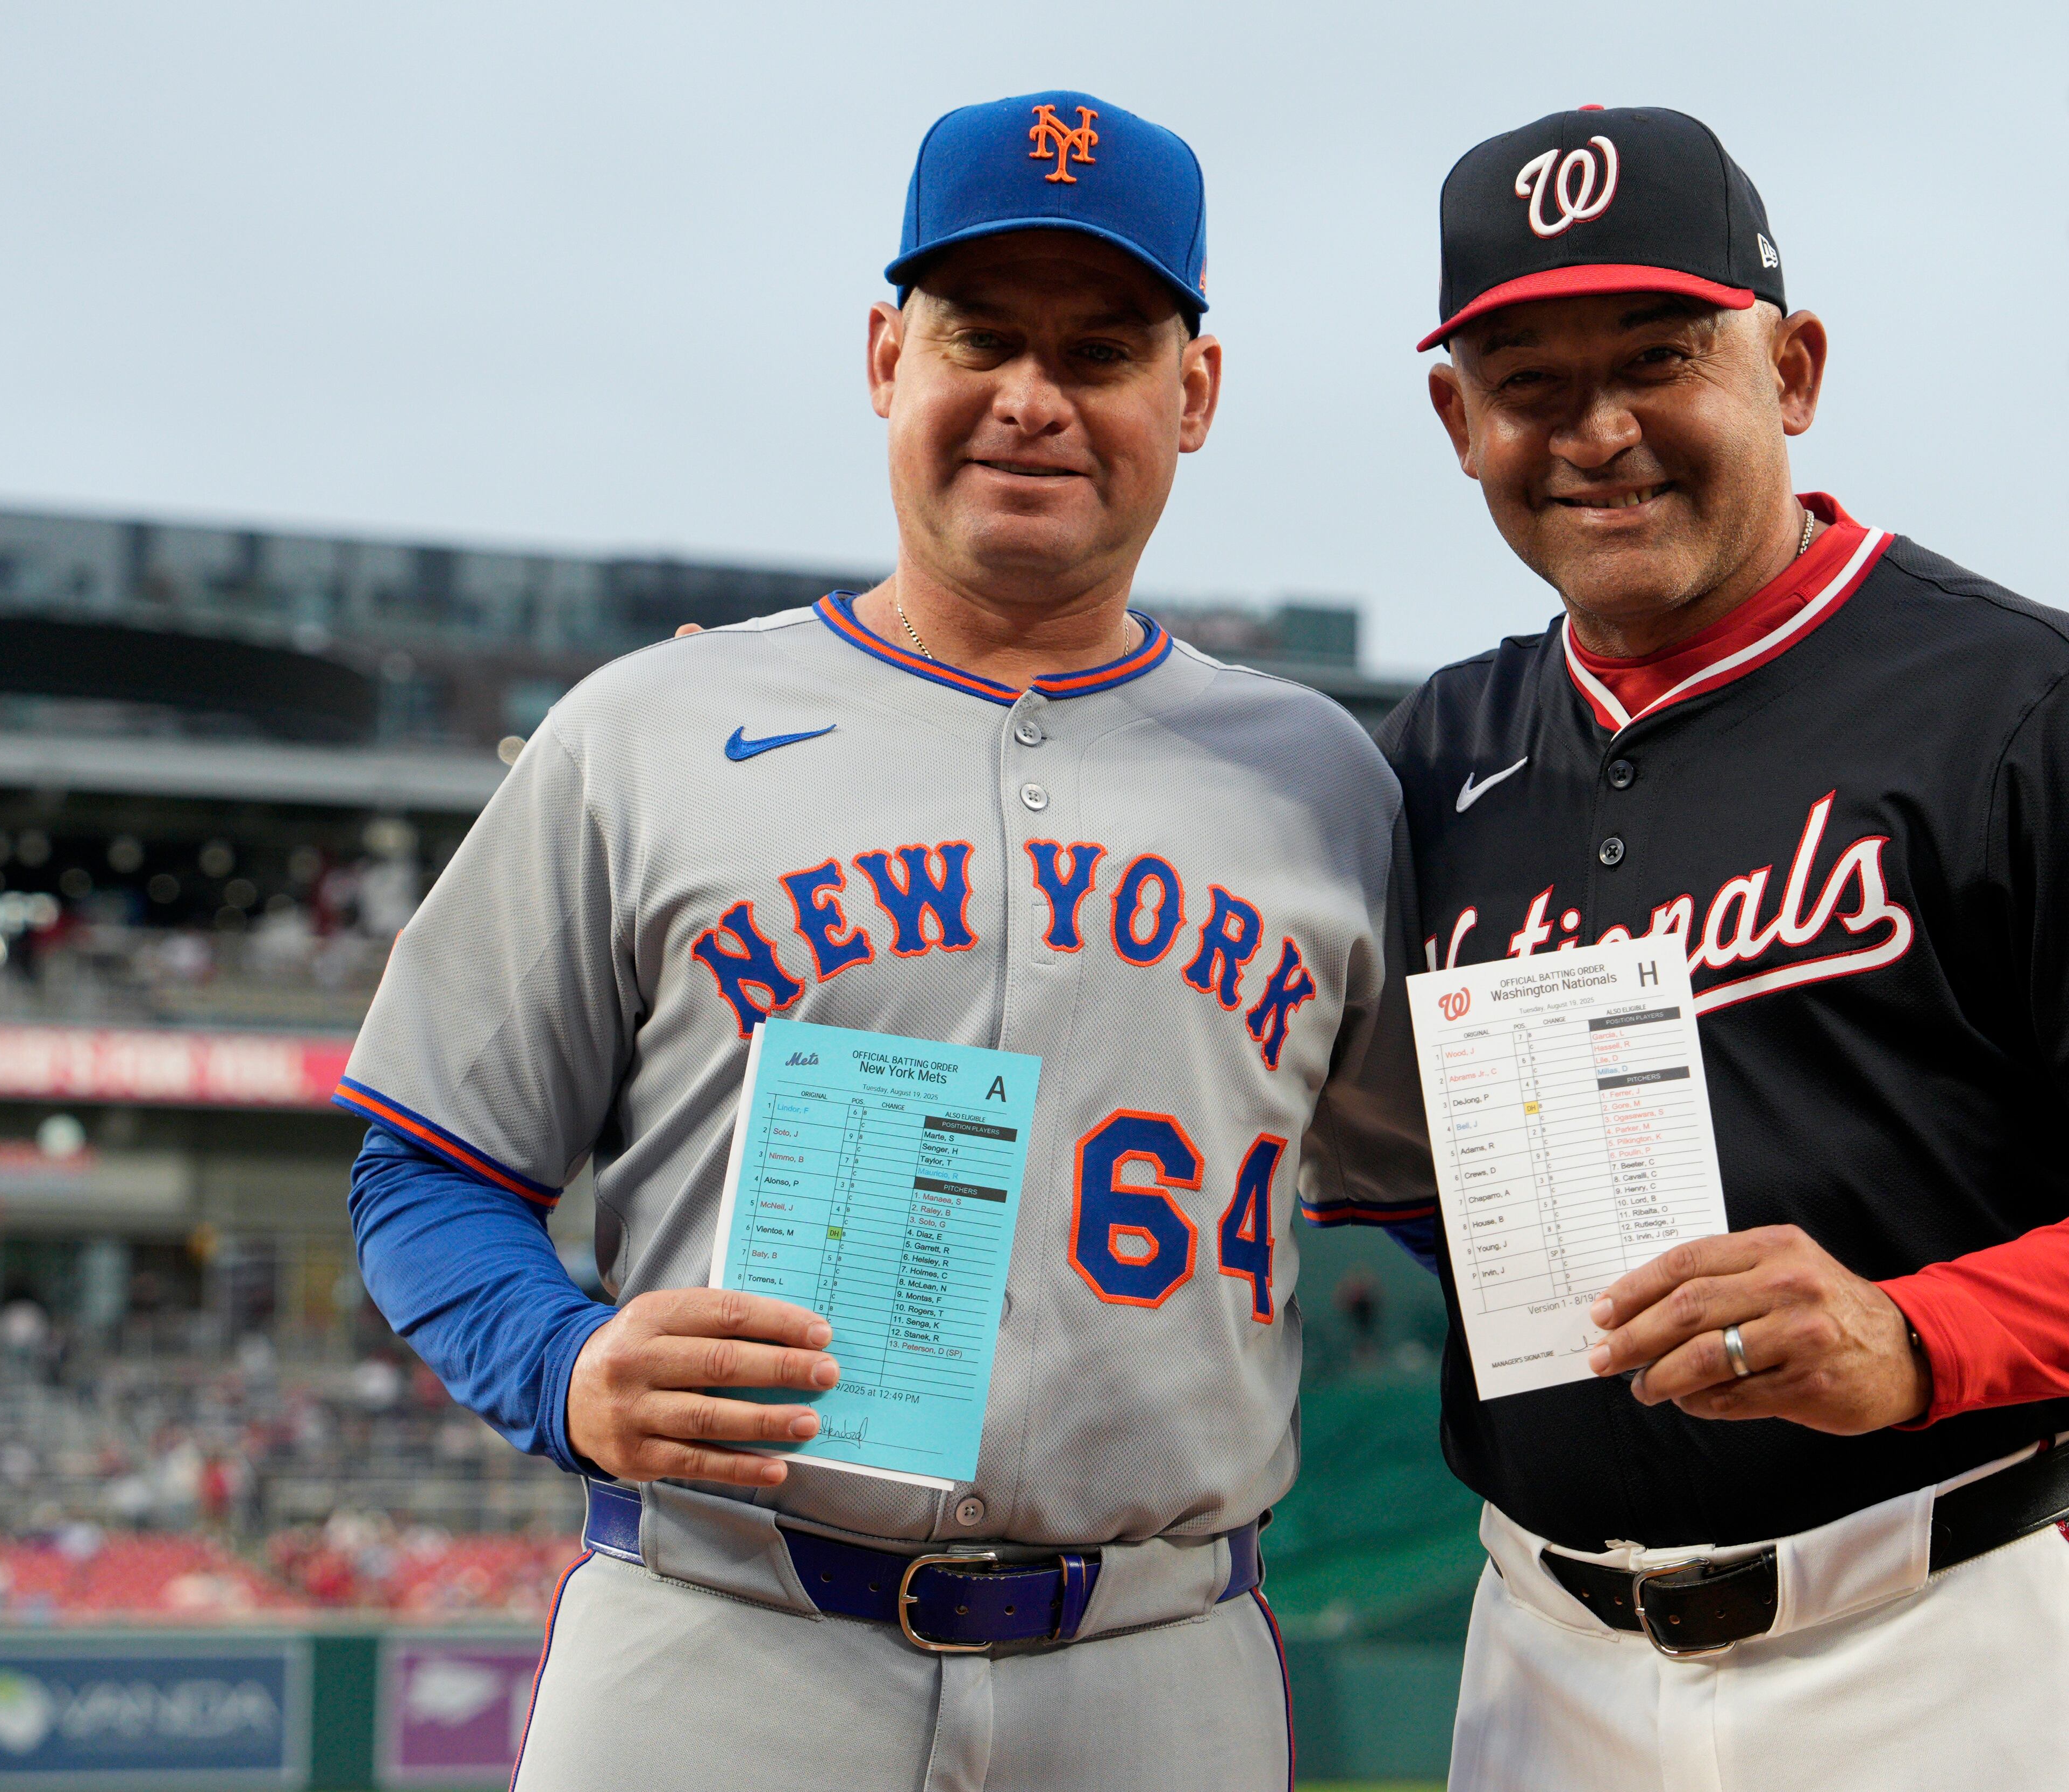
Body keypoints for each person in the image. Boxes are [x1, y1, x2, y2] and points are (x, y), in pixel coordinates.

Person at [338, 90, 1404, 1790]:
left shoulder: (1324, 783)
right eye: (982, 335)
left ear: (1191, 394)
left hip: (1159, 1665)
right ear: (886, 356)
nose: (1033, 401)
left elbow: (1458, 1203)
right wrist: (567, 1362)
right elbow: (419, 1164)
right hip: (722, 1638)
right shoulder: (654, 727)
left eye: (1105, 348)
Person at [1302, 106, 2069, 1791]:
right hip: (1550, 1652)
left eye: (1660, 356)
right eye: (1532, 384)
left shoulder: (2030, 707)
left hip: (1957, 1623)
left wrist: (1920, 1333)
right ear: (1458, 418)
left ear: (1790, 369)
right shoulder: (1440, 755)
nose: (1601, 431)